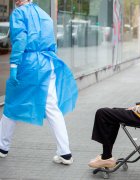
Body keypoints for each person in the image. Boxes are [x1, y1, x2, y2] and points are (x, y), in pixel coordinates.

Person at [0, 0, 78, 165]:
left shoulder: (19, 13)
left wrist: (14, 65)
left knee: (11, 104)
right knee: (52, 107)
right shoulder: (45, 15)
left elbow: (20, 40)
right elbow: (51, 41)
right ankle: (65, 153)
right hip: (47, 63)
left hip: (28, 64)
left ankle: (2, 147)